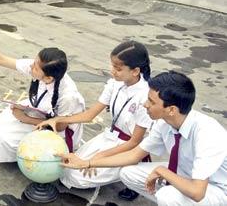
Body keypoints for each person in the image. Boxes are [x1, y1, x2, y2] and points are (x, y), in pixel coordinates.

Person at [58, 71, 227, 206]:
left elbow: (197, 192)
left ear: (171, 109)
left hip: (214, 189)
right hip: (183, 173)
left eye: (152, 102)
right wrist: (87, 162)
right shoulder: (165, 122)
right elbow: (134, 155)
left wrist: (163, 172)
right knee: (128, 173)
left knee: (169, 196)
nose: (145, 104)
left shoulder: (207, 134)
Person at [36, 41, 153, 199]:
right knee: (66, 169)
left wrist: (100, 157)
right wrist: (57, 120)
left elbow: (134, 142)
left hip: (129, 147)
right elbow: (89, 115)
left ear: (135, 71)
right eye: (112, 66)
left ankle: (134, 172)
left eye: (118, 69)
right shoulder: (114, 84)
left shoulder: (146, 97)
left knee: (76, 178)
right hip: (111, 136)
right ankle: (115, 170)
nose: (112, 72)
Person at [0, 25, 85, 163]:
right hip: (40, 112)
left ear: (48, 78)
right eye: (34, 62)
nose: (30, 66)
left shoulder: (68, 96)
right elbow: (0, 59)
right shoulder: (40, 69)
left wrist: (25, 118)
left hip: (57, 129)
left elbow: (59, 126)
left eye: (35, 66)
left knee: (7, 140)